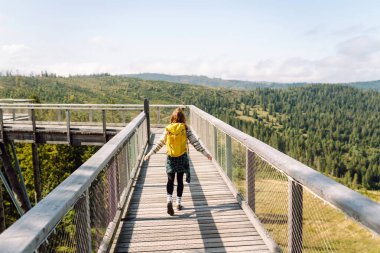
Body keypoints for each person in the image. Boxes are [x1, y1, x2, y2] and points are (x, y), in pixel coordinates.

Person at [144, 108, 212, 216]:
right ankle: (178, 203)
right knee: (180, 180)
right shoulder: (185, 129)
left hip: (171, 158)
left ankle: (169, 200)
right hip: (182, 157)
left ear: (173, 118)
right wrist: (205, 153)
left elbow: (160, 143)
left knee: (170, 180)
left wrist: (149, 154)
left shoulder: (168, 129)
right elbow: (195, 143)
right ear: (183, 118)